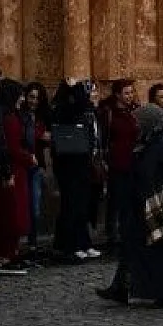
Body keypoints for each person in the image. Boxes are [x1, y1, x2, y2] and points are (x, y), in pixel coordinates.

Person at [96, 101, 163, 307]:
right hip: (144, 202)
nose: (136, 126)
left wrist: (157, 193)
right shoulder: (150, 140)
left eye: (139, 122)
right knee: (134, 244)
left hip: (159, 204)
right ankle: (123, 287)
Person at [48, 79, 101, 262]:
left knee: (82, 204)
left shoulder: (87, 112)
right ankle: (71, 244)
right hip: (70, 164)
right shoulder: (66, 110)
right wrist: (72, 88)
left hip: (83, 163)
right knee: (72, 205)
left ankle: (82, 242)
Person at [0, 78, 32, 271]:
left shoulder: (2, 116)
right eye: (20, 95)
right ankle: (6, 254)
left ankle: (2, 253)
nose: (22, 99)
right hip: (14, 171)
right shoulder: (11, 119)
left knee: (5, 213)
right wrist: (29, 158)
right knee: (12, 213)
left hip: (7, 170)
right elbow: (13, 149)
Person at [97, 78, 139, 249]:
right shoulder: (108, 113)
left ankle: (127, 232)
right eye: (126, 93)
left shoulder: (135, 111)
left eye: (131, 92)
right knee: (115, 199)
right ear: (117, 95)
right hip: (115, 162)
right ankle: (112, 234)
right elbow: (103, 137)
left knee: (130, 199)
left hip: (133, 161)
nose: (130, 96)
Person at [21, 81, 51, 253]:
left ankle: (32, 241)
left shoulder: (42, 118)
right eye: (31, 97)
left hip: (36, 165)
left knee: (35, 207)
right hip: (23, 164)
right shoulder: (21, 116)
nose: (34, 101)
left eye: (37, 98)